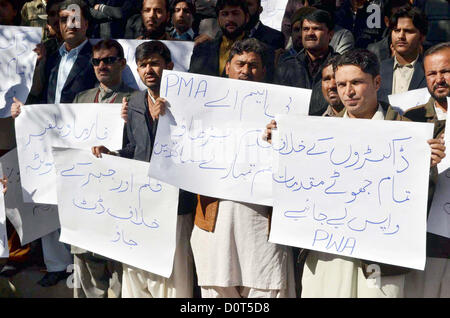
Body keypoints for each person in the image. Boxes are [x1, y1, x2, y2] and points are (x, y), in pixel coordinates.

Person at [265, 49, 446, 298]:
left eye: (356, 83)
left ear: (377, 82)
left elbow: (423, 202)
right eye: (341, 84)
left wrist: (427, 168)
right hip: (328, 252)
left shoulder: (409, 133)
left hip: (382, 258)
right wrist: (277, 145)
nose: (347, 92)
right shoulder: (315, 132)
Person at [191, 38, 295, 298]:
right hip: (214, 217)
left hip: (262, 221)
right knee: (217, 287)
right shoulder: (201, 104)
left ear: (263, 71)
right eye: (239, 64)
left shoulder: (283, 109)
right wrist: (162, 114)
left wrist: (284, 136)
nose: (245, 71)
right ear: (227, 67)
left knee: (265, 287)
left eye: (253, 65)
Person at [92, 41, 197, 298]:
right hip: (140, 204)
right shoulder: (134, 102)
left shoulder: (187, 103)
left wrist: (165, 120)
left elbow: (195, 151)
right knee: (136, 278)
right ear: (137, 70)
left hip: (176, 205)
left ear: (169, 66)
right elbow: (133, 148)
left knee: (174, 280)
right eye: (143, 65)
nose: (149, 69)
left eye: (155, 63)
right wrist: (112, 153)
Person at [70, 39, 134, 298]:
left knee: (119, 273)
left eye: (108, 60)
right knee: (86, 266)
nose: (102, 65)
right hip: (85, 194)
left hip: (120, 197)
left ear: (122, 63)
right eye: (97, 61)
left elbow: (141, 148)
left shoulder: (136, 99)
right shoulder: (81, 97)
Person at [401, 42, 450, 298]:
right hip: (426, 243)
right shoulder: (410, 120)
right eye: (432, 74)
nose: (439, 79)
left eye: (445, 71)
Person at [275, 9, 338, 116]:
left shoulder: (342, 66)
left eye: (316, 29)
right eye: (305, 29)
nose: (310, 33)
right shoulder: (286, 66)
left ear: (330, 34)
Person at [378, 6, 428, 106]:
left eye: (408, 31)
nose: (401, 36)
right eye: (396, 30)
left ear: (422, 37)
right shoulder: (378, 69)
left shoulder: (431, 71)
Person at [188, 0, 250, 77]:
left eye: (235, 13)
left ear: (246, 17)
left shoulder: (258, 52)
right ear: (218, 19)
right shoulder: (202, 49)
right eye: (224, 14)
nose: (230, 19)